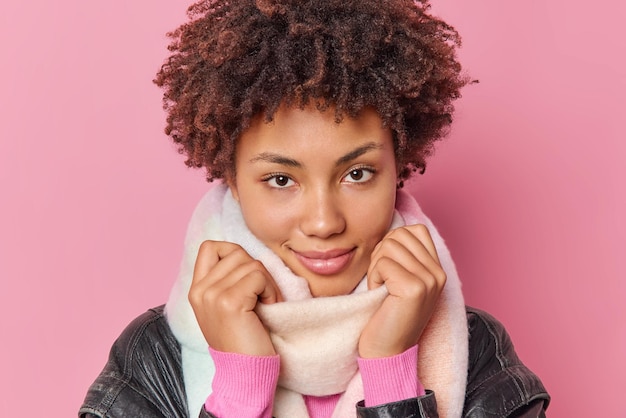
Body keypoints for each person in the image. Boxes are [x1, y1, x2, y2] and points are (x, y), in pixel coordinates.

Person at [79, 0, 550, 417]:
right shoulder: (150, 357)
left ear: (398, 167)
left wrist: (391, 370)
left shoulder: (482, 353)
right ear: (234, 184)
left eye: (358, 174)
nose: (324, 223)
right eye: (281, 180)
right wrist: (241, 388)